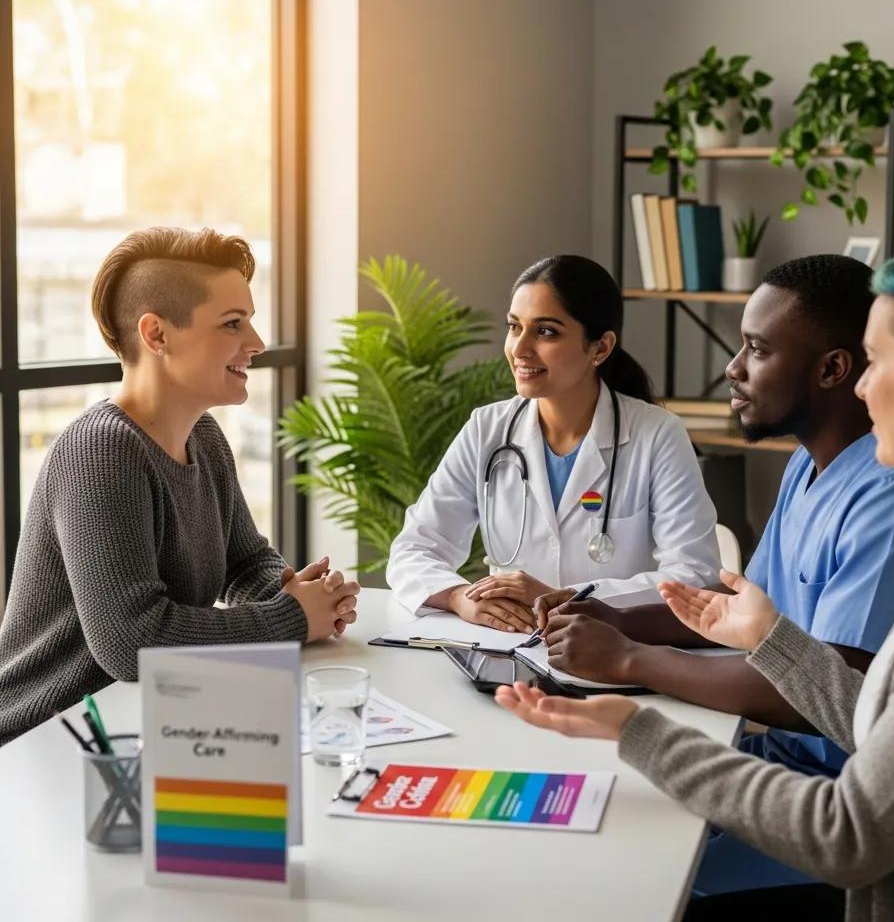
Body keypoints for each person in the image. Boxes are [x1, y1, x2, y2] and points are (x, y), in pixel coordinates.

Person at [497, 243, 894, 921]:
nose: (863, 388)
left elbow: (848, 833)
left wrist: (638, 723)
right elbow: (879, 720)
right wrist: (756, 637)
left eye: (875, 362)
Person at [0, 227, 359, 746]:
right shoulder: (100, 451)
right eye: (232, 324)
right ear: (157, 335)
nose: (257, 344)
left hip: (145, 724)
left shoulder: (204, 437)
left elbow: (244, 562)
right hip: (47, 741)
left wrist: (294, 593)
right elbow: (131, 641)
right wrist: (290, 619)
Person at [386, 254, 720, 631]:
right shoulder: (487, 429)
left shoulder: (657, 435)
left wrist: (570, 598)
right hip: (509, 644)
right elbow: (414, 549)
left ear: (600, 348)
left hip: (611, 644)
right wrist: (458, 596)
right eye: (515, 327)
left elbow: (695, 573)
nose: (520, 348)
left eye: (545, 331)